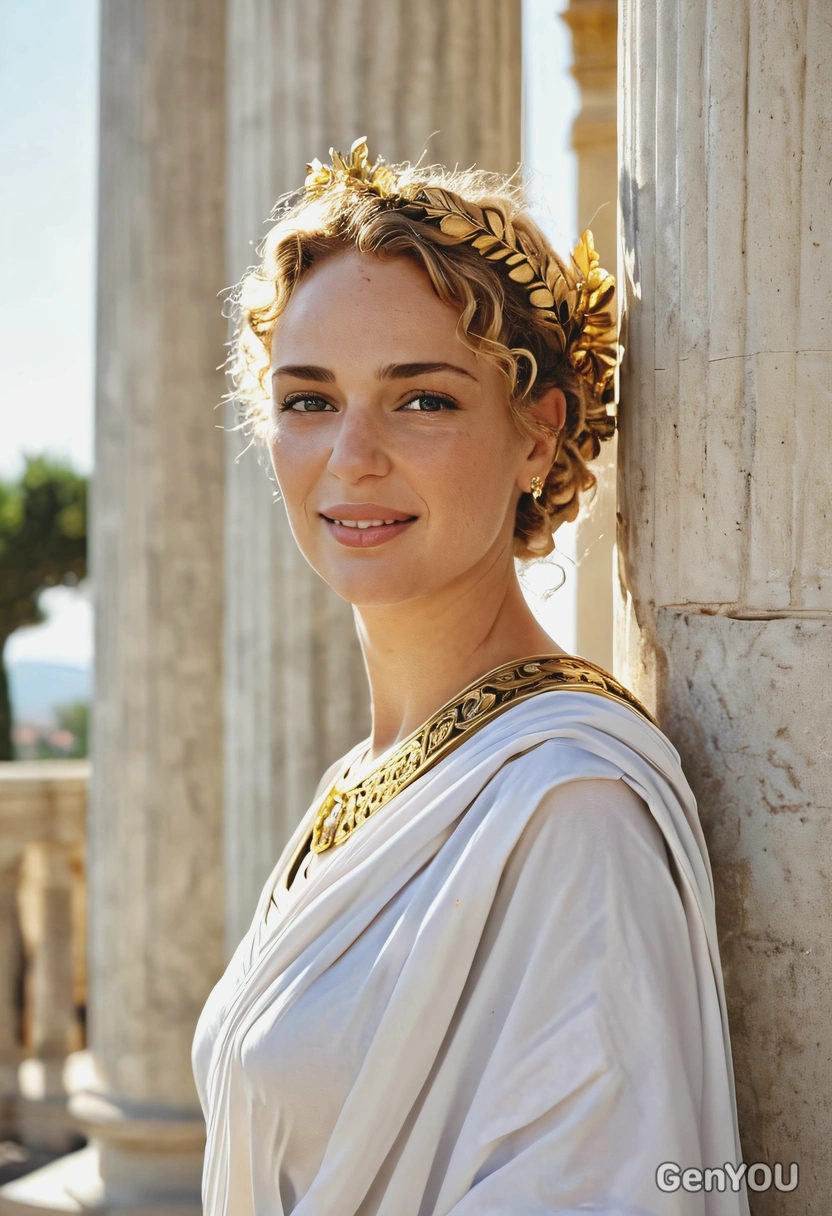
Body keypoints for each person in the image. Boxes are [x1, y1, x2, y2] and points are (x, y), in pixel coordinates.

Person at [192, 139, 749, 1215]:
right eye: (308, 400)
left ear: (537, 435)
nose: (352, 454)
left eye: (423, 401)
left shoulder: (570, 807)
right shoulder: (364, 781)